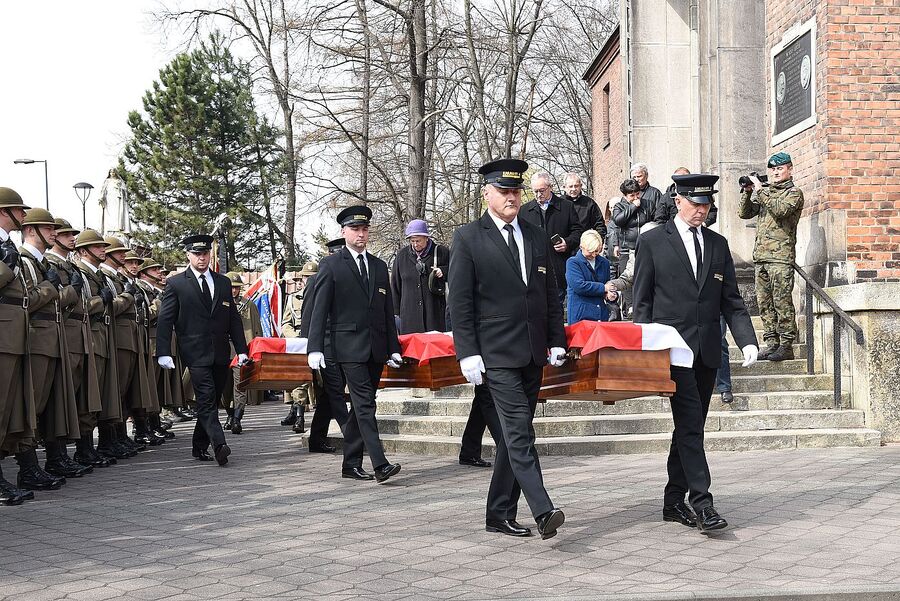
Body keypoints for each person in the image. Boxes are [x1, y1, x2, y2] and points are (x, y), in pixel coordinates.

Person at [632, 173, 759, 533]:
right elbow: (641, 302)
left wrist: (747, 339)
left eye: (706, 205)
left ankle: (673, 500)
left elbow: (731, 301)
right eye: (695, 203)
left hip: (706, 353)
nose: (701, 210)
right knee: (690, 426)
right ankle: (703, 504)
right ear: (678, 200)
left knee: (690, 428)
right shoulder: (654, 241)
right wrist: (644, 352)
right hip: (671, 352)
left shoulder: (717, 245)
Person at [449, 158, 567, 540]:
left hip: (532, 352)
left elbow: (549, 294)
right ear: (487, 194)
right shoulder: (468, 237)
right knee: (518, 434)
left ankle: (498, 513)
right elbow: (460, 302)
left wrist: (555, 340)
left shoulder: (535, 234)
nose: (512, 197)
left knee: (514, 435)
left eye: (517, 191)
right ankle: (543, 509)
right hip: (495, 354)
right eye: (504, 191)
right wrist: (466, 352)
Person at [306, 207, 403, 483]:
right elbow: (319, 310)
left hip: (375, 347)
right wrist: (315, 347)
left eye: (364, 229)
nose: (361, 234)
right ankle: (380, 464)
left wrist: (393, 347)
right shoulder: (331, 265)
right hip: (346, 346)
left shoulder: (378, 265)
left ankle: (350, 464)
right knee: (364, 405)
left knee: (365, 404)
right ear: (344, 232)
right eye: (355, 229)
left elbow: (386, 310)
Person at [156, 235, 249, 466]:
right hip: (194, 352)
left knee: (211, 399)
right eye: (197, 254)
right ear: (188, 255)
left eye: (205, 253)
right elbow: (166, 320)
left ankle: (198, 446)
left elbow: (233, 319)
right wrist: (163, 351)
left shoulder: (223, 282)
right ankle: (219, 445)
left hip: (220, 352)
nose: (201, 258)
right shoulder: (177, 283)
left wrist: (242, 349)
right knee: (207, 398)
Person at [46, 218, 108, 469]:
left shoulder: (69, 266)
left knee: (83, 397)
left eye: (73, 234)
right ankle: (56, 456)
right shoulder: (51, 264)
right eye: (65, 233)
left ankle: (82, 450)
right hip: (69, 334)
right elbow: (63, 302)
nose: (71, 237)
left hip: (82, 336)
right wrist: (97, 302)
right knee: (63, 399)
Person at [739, 151, 804, 362]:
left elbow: (779, 211)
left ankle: (786, 345)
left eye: (780, 168)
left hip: (781, 257)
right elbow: (745, 213)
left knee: (782, 302)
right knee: (764, 303)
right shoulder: (766, 193)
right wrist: (747, 192)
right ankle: (771, 343)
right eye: (773, 169)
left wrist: (760, 189)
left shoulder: (794, 193)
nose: (776, 172)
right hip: (761, 257)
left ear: (790, 169)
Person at [0, 189, 44, 503]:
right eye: (19, 210)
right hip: (4, 335)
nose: (24, 217)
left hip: (14, 335)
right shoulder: (8, 251)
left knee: (12, 411)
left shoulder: (8, 247)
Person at [519, 172, 583, 307]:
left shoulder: (566, 207)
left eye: (542, 191)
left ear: (551, 187)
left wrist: (567, 242)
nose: (538, 195)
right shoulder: (524, 211)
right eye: (535, 191)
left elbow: (577, 232)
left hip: (559, 265)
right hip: (534, 268)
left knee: (557, 307)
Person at [222, 272, 264, 434]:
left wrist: (255, 351)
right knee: (224, 389)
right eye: (231, 287)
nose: (233, 291)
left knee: (240, 386)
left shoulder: (249, 305)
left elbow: (257, 329)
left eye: (236, 288)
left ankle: (237, 419)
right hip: (223, 350)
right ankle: (230, 414)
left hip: (241, 352)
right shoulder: (219, 304)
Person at [391, 219, 449, 334]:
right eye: (412, 241)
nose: (415, 244)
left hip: (435, 315)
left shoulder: (442, 252)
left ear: (426, 238)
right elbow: (395, 285)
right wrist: (396, 312)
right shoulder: (401, 256)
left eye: (418, 241)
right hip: (409, 318)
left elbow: (456, 273)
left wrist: (444, 272)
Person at [611, 179, 653, 315]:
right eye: (632, 195)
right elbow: (618, 220)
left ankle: (643, 306)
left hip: (644, 246)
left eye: (637, 194)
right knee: (627, 278)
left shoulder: (647, 204)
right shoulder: (619, 206)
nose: (636, 198)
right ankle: (630, 307)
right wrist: (633, 207)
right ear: (625, 196)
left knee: (644, 277)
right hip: (627, 247)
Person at [281, 268, 315, 433]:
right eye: (306, 277)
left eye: (312, 277)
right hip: (299, 343)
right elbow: (285, 323)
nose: (308, 280)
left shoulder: (325, 295)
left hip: (318, 343)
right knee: (299, 378)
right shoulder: (294, 299)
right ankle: (299, 416)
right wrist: (294, 337)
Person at [566, 229, 612, 323]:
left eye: (597, 251)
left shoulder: (604, 263)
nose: (594, 254)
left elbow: (606, 286)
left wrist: (610, 294)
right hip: (580, 316)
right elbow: (579, 286)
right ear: (581, 246)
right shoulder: (573, 262)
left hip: (600, 315)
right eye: (590, 251)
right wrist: (603, 288)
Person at [563, 172, 607, 242]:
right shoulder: (558, 204)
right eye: (570, 186)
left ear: (581, 186)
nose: (574, 189)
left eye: (576, 186)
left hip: (584, 247)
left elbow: (600, 225)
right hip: (563, 246)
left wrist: (597, 241)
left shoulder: (589, 203)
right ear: (564, 187)